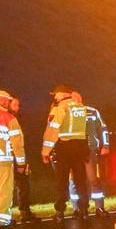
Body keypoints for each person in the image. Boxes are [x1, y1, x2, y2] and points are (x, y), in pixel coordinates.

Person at [42, 84, 89, 221]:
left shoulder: (60, 108)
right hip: (79, 148)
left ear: (62, 94)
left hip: (64, 148)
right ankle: (84, 210)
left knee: (61, 181)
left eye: (55, 94)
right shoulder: (80, 107)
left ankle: (60, 212)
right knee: (80, 181)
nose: (55, 97)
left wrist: (45, 151)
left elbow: (52, 130)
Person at [67, 92, 110, 217]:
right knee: (73, 181)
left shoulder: (92, 112)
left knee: (93, 179)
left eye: (76, 98)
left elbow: (103, 128)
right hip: (73, 152)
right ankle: (76, 209)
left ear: (81, 98)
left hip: (90, 150)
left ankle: (99, 208)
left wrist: (106, 145)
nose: (75, 100)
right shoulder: (66, 113)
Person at [0, 92, 34, 224]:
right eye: (10, 102)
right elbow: (18, 144)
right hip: (4, 161)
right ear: (4, 102)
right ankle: (3, 220)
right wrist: (21, 163)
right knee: (4, 191)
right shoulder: (8, 118)